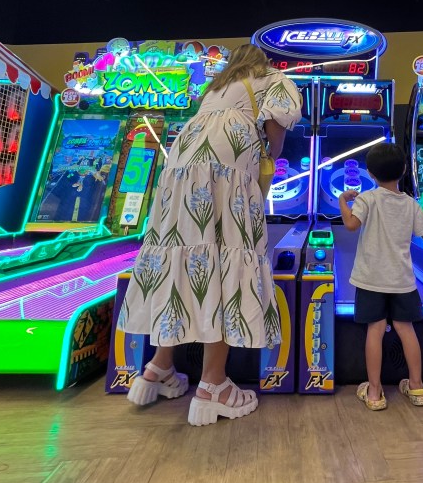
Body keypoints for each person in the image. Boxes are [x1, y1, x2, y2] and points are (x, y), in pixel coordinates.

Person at [119, 43, 302, 426]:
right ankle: (213, 386)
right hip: (227, 164)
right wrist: (269, 162)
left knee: (181, 259)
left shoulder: (216, 87)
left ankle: (158, 368)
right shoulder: (274, 78)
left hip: (182, 163)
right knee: (223, 263)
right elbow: (276, 135)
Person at [338, 142, 423, 411]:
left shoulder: (367, 198)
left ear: (370, 173)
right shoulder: (411, 204)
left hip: (370, 279)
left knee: (375, 331)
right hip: (402, 280)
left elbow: (351, 225)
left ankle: (375, 392)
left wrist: (343, 201)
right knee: (406, 329)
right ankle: (417, 387)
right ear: (403, 170)